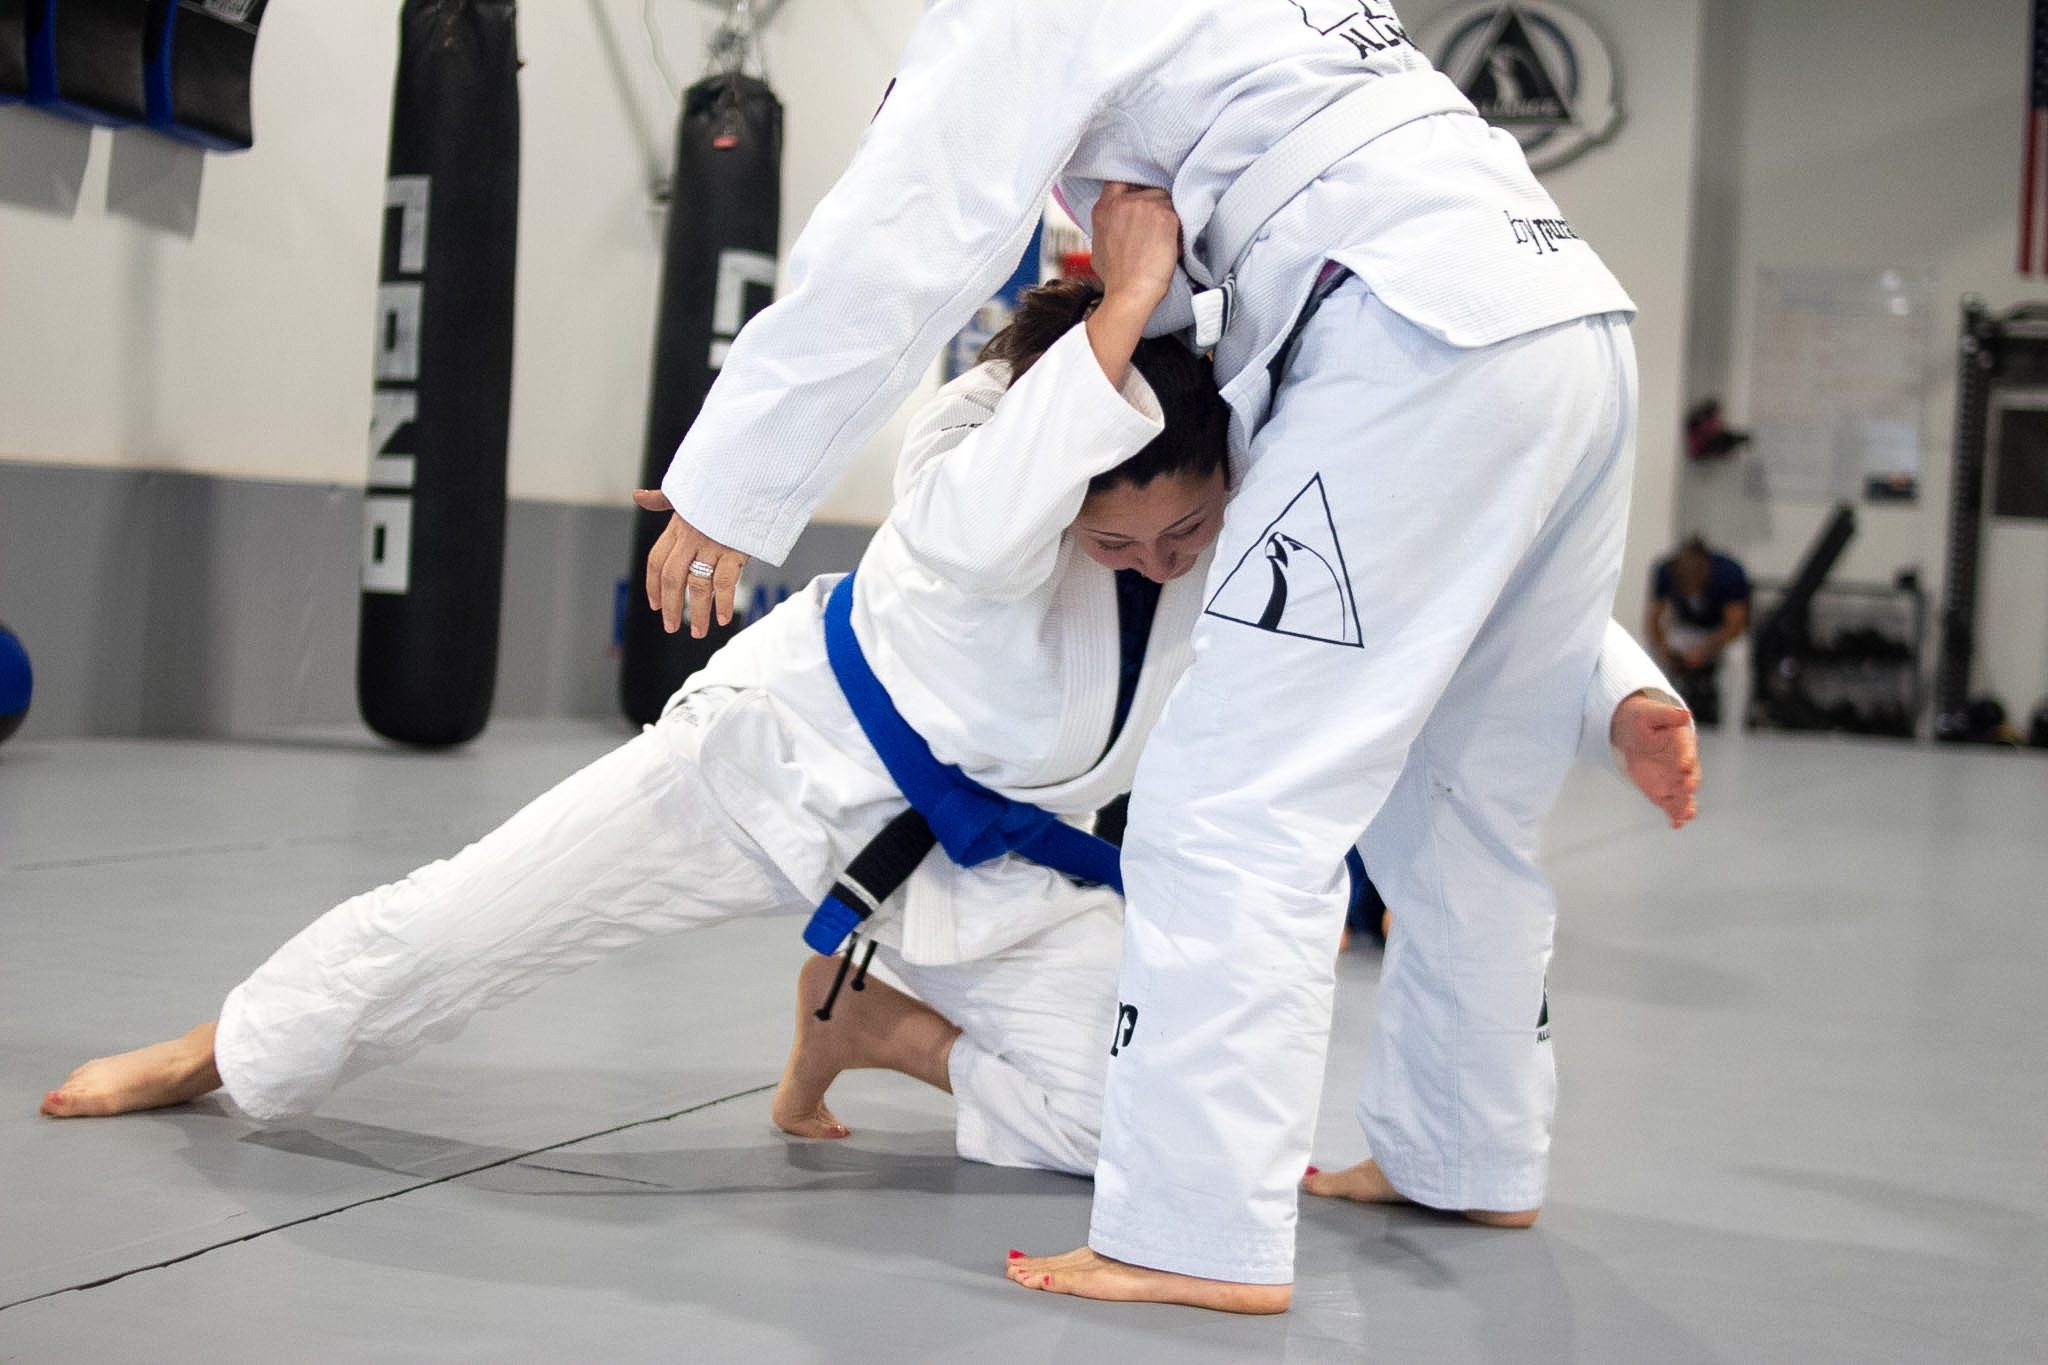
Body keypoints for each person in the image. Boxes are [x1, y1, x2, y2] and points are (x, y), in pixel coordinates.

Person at [635, 2, 1643, 1314]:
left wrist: (739, 474)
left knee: (1231, 800)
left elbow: (918, 217)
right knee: (1462, 790)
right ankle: (1469, 1150)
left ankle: (1196, 1230)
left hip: (1407, 337)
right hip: (1565, 312)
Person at [1647, 536, 1751, 725]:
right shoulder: (1666, 571)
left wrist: (1706, 649)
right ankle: (1657, 719)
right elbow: (1654, 618)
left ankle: (1733, 725)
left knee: (1737, 657)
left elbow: (1735, 625)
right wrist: (1662, 647)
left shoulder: (1729, 573)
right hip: (1687, 629)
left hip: (1720, 632)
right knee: (1650, 655)